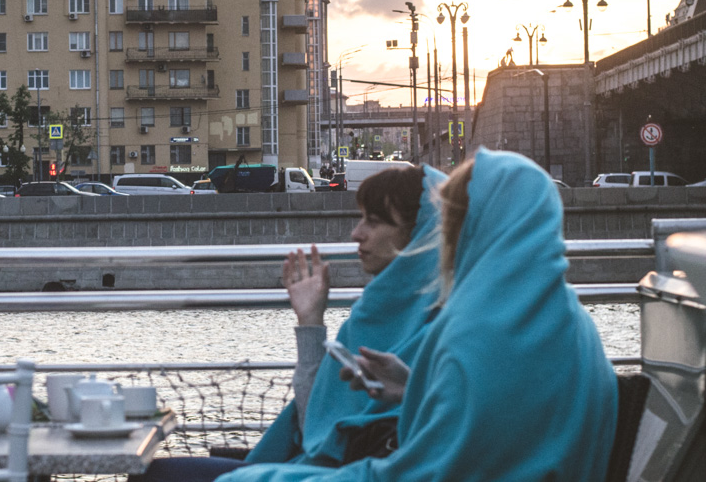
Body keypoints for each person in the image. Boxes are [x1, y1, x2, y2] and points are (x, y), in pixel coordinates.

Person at [217, 149, 618, 482]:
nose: (444, 235)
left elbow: (421, 470)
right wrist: (413, 390)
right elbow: (491, 428)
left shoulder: (475, 336)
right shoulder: (569, 321)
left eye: (452, 222)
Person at [132, 165, 444, 482]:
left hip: (344, 472)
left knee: (155, 476)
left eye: (373, 222)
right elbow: (319, 426)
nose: (356, 233)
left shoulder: (435, 325)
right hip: (334, 466)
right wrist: (310, 319)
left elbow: (322, 434)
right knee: (153, 474)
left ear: (419, 233)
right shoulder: (377, 312)